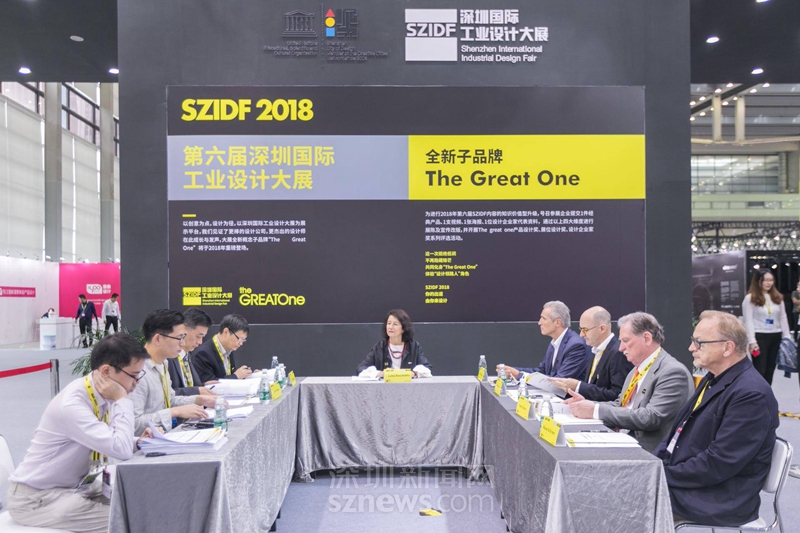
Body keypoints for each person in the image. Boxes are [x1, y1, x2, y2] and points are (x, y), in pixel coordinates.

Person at [6, 333, 153, 532]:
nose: (137, 382)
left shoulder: (98, 391)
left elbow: (108, 436)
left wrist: (137, 442)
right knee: (133, 520)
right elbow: (121, 450)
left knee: (142, 504)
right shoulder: (73, 405)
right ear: (106, 371)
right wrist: (122, 399)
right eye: (134, 376)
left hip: (76, 487)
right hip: (37, 499)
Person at [656, 311, 778, 527]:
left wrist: (661, 474)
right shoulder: (715, 378)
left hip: (722, 497)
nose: (691, 348)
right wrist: (655, 465)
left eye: (699, 342)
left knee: (629, 497)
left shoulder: (751, 394)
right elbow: (678, 432)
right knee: (624, 486)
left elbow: (719, 463)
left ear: (727, 348)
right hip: (697, 481)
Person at [565, 312, 693, 452]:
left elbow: (650, 418)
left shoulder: (672, 372)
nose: (621, 348)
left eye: (625, 341)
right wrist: (588, 405)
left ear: (647, 339)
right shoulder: (635, 370)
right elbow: (620, 405)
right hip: (622, 441)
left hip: (648, 453)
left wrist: (595, 410)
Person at [129, 309, 215, 435]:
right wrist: (174, 412)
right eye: (179, 338)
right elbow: (134, 424)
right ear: (158, 339)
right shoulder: (138, 372)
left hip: (164, 436)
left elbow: (170, 400)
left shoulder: (163, 363)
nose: (182, 343)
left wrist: (199, 399)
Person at [549, 306, 633, 401]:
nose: (581, 334)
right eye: (580, 329)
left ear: (602, 329)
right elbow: (592, 387)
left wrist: (578, 386)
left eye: (585, 330)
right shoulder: (594, 349)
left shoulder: (617, 353)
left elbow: (618, 395)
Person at [499, 301, 589, 381]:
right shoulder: (554, 343)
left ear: (557, 322)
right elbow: (542, 371)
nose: (539, 323)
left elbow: (560, 381)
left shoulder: (576, 346)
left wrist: (520, 375)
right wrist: (513, 371)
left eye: (544, 318)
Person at [741, 270, 791, 385]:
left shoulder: (777, 297)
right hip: (759, 336)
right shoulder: (750, 298)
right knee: (760, 369)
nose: (769, 283)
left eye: (771, 280)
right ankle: (757, 393)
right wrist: (752, 341)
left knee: (770, 370)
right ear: (758, 281)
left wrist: (787, 337)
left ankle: (767, 393)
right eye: (765, 280)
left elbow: (783, 317)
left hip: (775, 336)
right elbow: (748, 320)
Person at [357, 309, 432, 378]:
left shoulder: (414, 347)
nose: (390, 327)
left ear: (403, 329)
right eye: (389, 323)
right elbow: (361, 369)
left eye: (395, 324)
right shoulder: (379, 348)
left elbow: (427, 368)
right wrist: (382, 374)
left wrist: (413, 373)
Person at [192, 313, 253, 383]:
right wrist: (236, 376)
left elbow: (228, 375)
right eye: (239, 339)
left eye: (243, 340)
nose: (241, 343)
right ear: (226, 332)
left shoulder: (228, 349)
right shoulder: (203, 353)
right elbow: (209, 384)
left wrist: (247, 374)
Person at [168, 308, 214, 396]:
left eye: (202, 337)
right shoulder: (169, 357)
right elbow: (167, 394)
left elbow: (188, 386)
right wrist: (197, 390)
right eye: (198, 336)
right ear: (184, 330)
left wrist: (204, 386)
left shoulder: (187, 354)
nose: (200, 342)